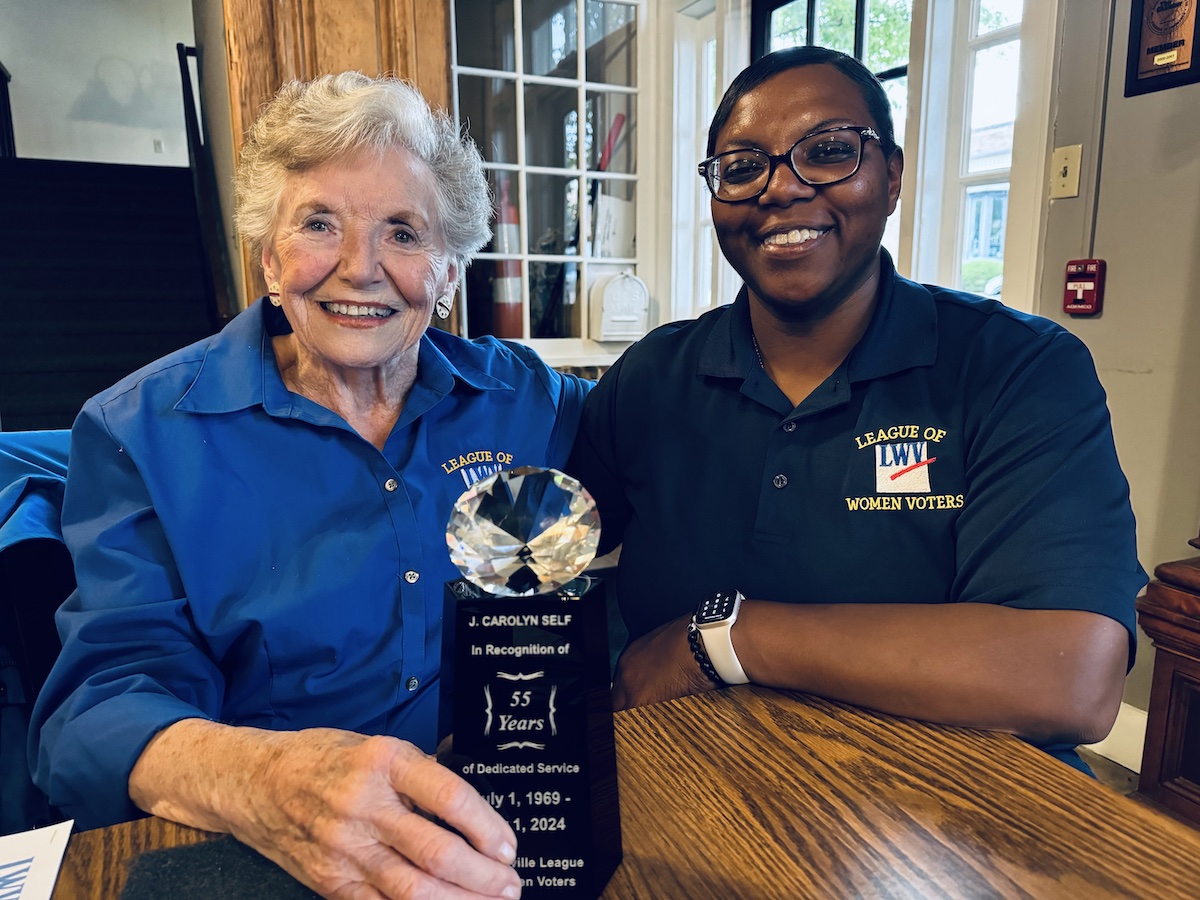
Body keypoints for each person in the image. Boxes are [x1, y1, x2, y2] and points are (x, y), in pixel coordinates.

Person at [31, 72, 591, 898]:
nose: (360, 269)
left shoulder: (522, 399)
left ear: (446, 273)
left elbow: (675, 439)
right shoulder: (139, 433)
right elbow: (98, 714)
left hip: (513, 825)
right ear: (267, 255)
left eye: (403, 232)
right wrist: (272, 781)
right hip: (274, 851)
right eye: (319, 223)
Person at [566, 46, 1145, 772]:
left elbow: (1074, 678)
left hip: (951, 822)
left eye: (830, 151)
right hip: (698, 790)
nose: (780, 188)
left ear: (892, 176)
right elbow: (549, 552)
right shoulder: (653, 376)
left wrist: (722, 639)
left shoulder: (1017, 368)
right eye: (742, 166)